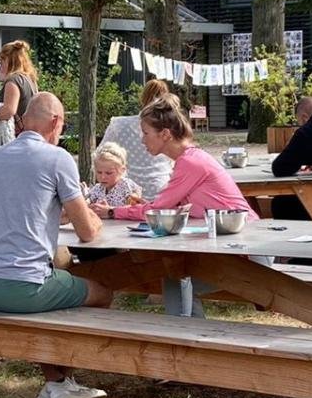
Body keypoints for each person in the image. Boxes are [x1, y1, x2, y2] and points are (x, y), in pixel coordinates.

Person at [0, 91, 115, 398]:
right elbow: (87, 232)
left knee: (57, 279)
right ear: (56, 122)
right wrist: (97, 219)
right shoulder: (57, 157)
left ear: (23, 121)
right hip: (22, 286)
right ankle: (67, 381)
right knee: (101, 292)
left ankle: (56, 382)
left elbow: (26, 205)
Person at [100, 100, 254, 318]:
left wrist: (111, 212)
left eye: (145, 133)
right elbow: (166, 208)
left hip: (247, 253)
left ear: (164, 134)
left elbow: (156, 210)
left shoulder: (190, 163)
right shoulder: (189, 159)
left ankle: (185, 337)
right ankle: (190, 337)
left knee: (175, 278)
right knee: (175, 277)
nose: (142, 139)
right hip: (236, 247)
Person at [98, 79, 177, 198]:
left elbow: (101, 153)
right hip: (162, 190)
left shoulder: (119, 125)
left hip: (128, 192)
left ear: (142, 98)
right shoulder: (170, 128)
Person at [84, 142, 143, 212]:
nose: (103, 177)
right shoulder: (97, 189)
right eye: (99, 172)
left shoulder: (126, 186)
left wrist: (110, 210)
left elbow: (134, 209)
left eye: (108, 173)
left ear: (122, 170)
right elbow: (86, 204)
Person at [0, 40, 39, 125]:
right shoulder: (29, 79)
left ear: (10, 61)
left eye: (2, 62)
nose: (0, 67)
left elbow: (9, 110)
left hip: (15, 135)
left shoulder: (13, 80)